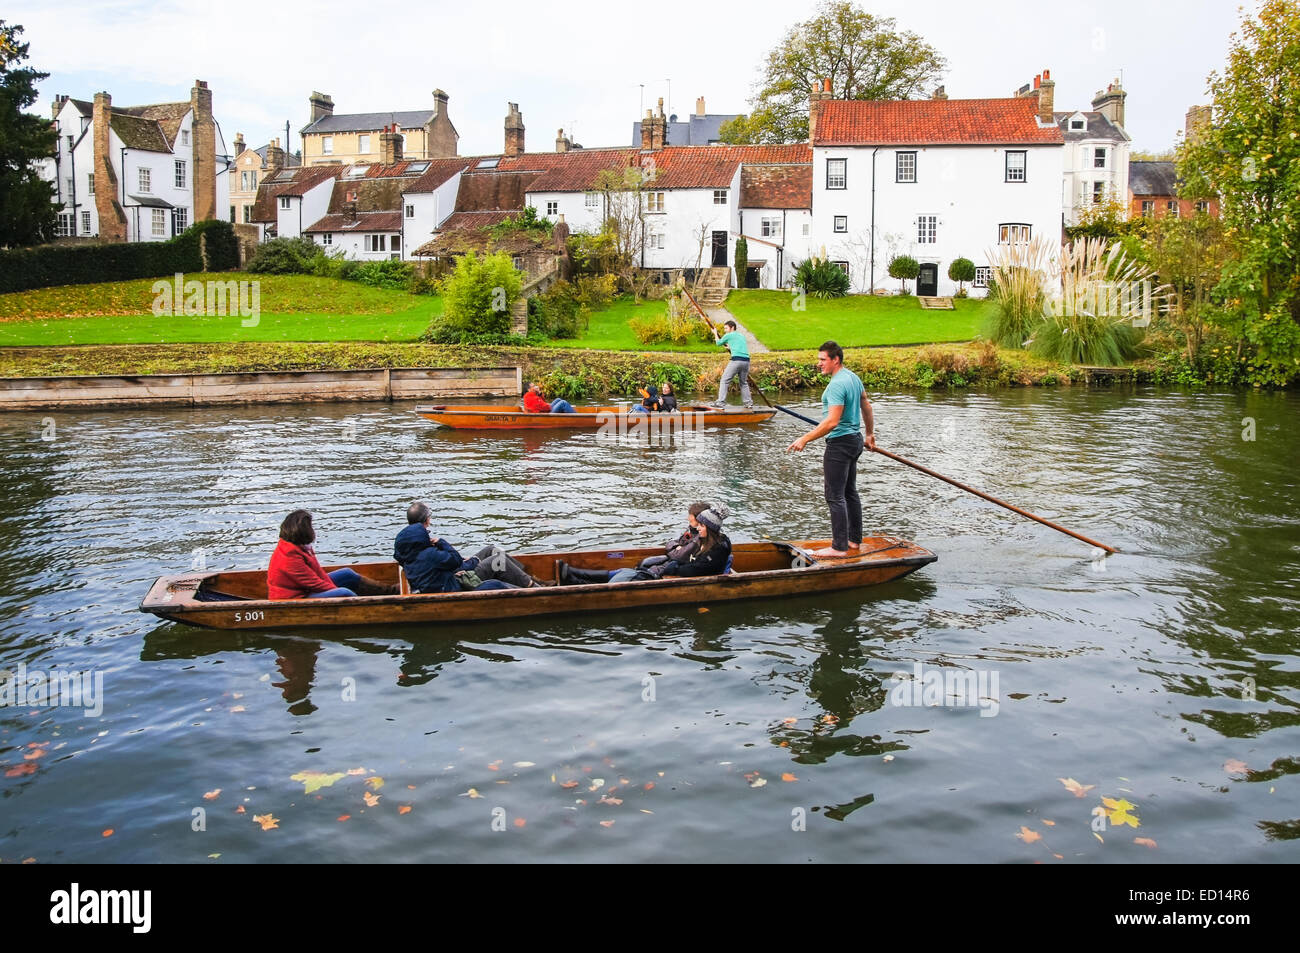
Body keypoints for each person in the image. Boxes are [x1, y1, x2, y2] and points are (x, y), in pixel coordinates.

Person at [787, 341, 876, 558]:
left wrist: (805, 439)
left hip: (840, 443)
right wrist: (869, 434)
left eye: (822, 359)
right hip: (855, 440)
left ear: (835, 359)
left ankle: (838, 547)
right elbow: (866, 403)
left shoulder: (837, 384)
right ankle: (853, 541)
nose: (818, 364)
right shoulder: (852, 378)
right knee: (849, 492)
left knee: (834, 496)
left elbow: (832, 422)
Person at [556, 503, 730, 584]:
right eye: (697, 524)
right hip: (668, 570)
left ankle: (574, 581)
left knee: (624, 579)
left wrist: (674, 567)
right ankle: (573, 574)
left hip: (674, 577)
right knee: (624, 572)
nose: (698, 528)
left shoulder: (716, 547)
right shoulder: (703, 540)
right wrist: (674, 561)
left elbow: (696, 569)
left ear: (710, 527)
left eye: (701, 525)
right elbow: (675, 549)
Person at [394, 501, 546, 593]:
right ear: (426, 520)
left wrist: (464, 562)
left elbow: (443, 565)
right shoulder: (426, 550)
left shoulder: (412, 546)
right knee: (499, 561)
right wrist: (470, 561)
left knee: (492, 549)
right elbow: (454, 562)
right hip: (460, 582)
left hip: (454, 574)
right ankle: (537, 589)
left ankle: (527, 579)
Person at [268, 509, 397, 600]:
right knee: (344, 593)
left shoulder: (300, 546)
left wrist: (333, 586)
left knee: (347, 574)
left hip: (304, 589)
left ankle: (390, 592)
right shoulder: (289, 557)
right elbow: (314, 584)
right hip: (294, 597)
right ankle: (367, 608)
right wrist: (335, 590)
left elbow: (318, 573)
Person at [711, 319, 752, 409]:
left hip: (736, 361)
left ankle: (720, 403)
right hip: (746, 361)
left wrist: (715, 333)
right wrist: (731, 347)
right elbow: (738, 346)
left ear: (732, 327)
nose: (725, 330)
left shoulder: (729, 335)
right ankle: (748, 403)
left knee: (724, 380)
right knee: (743, 383)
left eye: (726, 328)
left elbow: (718, 343)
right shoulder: (741, 336)